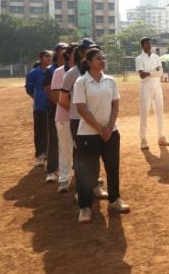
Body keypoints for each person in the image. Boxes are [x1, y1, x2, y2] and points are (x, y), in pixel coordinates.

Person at [73, 48, 129, 223]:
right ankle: (85, 207)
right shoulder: (81, 82)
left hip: (111, 133)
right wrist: (99, 129)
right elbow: (81, 108)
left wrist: (109, 127)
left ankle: (114, 200)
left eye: (104, 58)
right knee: (86, 172)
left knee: (112, 168)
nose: (102, 60)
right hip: (88, 134)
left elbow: (115, 104)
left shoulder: (110, 81)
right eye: (98, 58)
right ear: (89, 62)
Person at [60, 40, 108, 200]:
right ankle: (80, 190)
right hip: (78, 121)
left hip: (96, 121)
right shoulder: (72, 74)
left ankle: (94, 185)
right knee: (81, 156)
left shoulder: (100, 74)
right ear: (82, 53)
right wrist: (76, 112)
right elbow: (63, 98)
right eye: (90, 51)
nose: (96, 54)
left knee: (95, 154)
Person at [136, 37, 169, 150]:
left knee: (160, 111)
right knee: (144, 113)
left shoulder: (156, 57)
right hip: (145, 86)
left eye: (150, 44)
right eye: (146, 44)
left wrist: (149, 73)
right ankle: (143, 139)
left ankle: (161, 137)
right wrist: (153, 72)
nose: (149, 46)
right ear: (142, 46)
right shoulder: (139, 58)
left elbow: (160, 72)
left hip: (157, 85)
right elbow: (142, 75)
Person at [52, 44, 76, 192]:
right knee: (65, 148)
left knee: (83, 149)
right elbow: (56, 95)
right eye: (76, 53)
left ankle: (89, 177)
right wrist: (75, 110)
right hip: (65, 116)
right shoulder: (58, 72)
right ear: (68, 55)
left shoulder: (84, 71)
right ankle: (64, 178)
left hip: (81, 117)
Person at [43, 43, 68, 183]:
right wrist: (63, 104)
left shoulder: (71, 67)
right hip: (55, 109)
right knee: (54, 140)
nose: (66, 52)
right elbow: (49, 92)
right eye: (63, 49)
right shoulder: (50, 70)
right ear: (57, 52)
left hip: (69, 109)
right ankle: (51, 170)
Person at [25, 51, 51, 167]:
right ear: (40, 58)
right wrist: (38, 98)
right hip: (40, 107)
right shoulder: (33, 73)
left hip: (53, 105)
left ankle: (50, 153)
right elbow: (29, 89)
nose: (49, 58)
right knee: (40, 131)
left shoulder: (53, 71)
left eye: (51, 56)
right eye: (47, 56)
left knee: (51, 131)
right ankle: (40, 154)